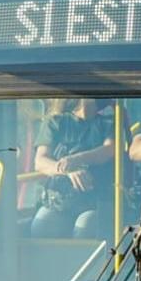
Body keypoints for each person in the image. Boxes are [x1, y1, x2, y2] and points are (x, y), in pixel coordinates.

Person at [31, 98, 114, 238]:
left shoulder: (109, 124)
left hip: (95, 201)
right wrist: (68, 171)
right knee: (41, 226)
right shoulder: (55, 122)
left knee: (85, 228)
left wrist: (77, 159)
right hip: (60, 200)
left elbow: (108, 150)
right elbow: (40, 161)